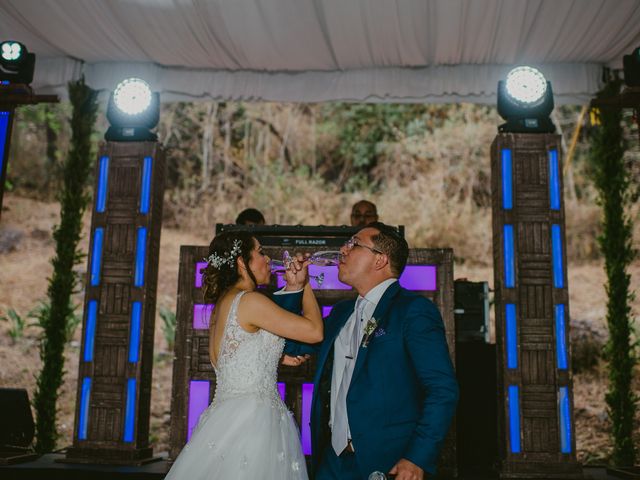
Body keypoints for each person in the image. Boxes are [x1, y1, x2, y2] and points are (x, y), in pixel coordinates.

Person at [286, 222, 459, 480]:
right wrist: (295, 288)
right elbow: (293, 348)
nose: (343, 249)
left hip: (387, 461)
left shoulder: (413, 311)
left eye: (353, 244)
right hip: (332, 461)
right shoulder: (341, 313)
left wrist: (416, 457)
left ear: (380, 260)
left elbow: (442, 390)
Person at [165, 230, 322, 480]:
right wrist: (305, 285)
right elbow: (314, 332)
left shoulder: (224, 304)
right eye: (260, 252)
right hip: (253, 421)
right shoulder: (250, 301)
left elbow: (241, 350)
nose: (268, 259)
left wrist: (276, 356)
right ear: (241, 261)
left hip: (226, 416)